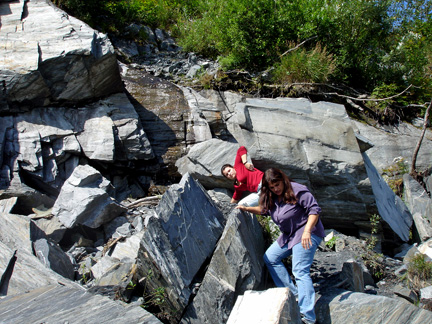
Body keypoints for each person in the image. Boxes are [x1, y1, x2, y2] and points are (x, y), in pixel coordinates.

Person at [236, 168, 325, 324]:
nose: (276, 189)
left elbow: (314, 210)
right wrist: (246, 208)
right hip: (289, 235)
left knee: (299, 270)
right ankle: (294, 295)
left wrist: (307, 231)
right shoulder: (272, 196)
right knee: (270, 258)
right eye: (272, 187)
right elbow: (263, 210)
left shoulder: (297, 190)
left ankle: (308, 317)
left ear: (282, 180)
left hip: (307, 232)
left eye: (277, 185)